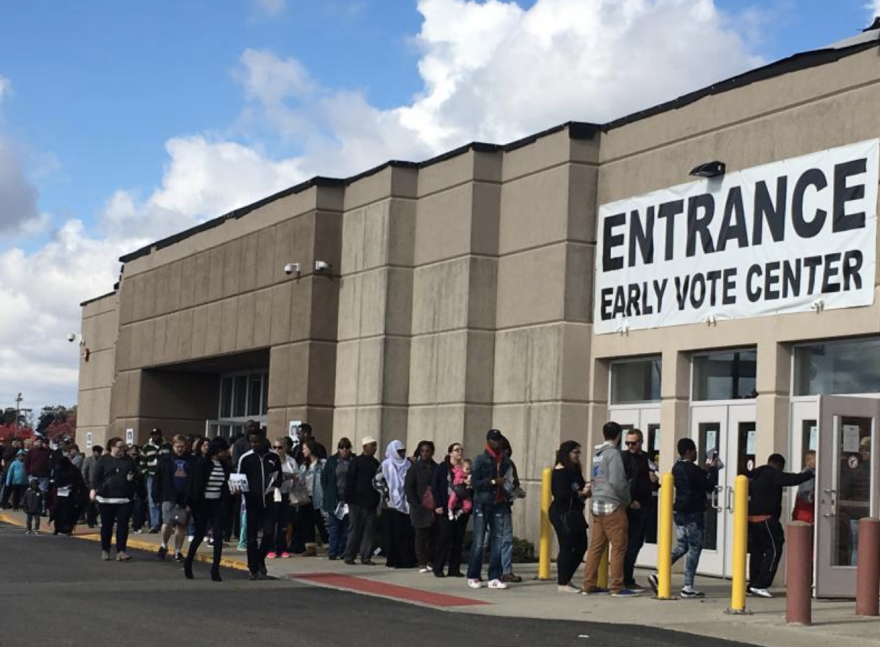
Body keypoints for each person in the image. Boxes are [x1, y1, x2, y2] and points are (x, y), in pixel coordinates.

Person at [649, 438, 719, 598]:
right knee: (694, 548)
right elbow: (708, 485)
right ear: (689, 451)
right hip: (693, 512)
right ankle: (688, 586)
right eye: (694, 451)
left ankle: (660, 573)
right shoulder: (691, 468)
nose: (696, 453)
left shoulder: (677, 467)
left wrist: (706, 470)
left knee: (682, 546)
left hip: (679, 511)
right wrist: (713, 470)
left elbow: (696, 479)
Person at [746, 453, 814, 598]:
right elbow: (792, 479)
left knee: (757, 551)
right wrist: (809, 473)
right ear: (778, 464)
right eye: (781, 468)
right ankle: (761, 584)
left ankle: (753, 584)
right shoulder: (772, 474)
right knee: (775, 548)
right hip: (766, 519)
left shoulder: (756, 474)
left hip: (752, 519)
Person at [583, 422, 636, 597]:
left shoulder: (597, 454)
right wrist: (627, 500)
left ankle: (589, 584)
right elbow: (617, 480)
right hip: (612, 504)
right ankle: (617, 586)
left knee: (596, 547)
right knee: (619, 546)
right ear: (619, 435)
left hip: (597, 504)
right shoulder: (613, 454)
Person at [467, 429, 513, 590]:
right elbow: (475, 484)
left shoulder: (506, 460)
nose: (496, 442)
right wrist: (493, 482)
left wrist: (510, 493)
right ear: (488, 441)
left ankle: (494, 576)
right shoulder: (480, 460)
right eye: (493, 439)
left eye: (498, 439)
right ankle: (473, 575)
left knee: (498, 541)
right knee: (479, 541)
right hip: (483, 503)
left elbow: (510, 481)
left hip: (499, 503)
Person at [91, 437, 146, 561]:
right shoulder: (103, 460)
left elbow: (137, 475)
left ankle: (121, 551)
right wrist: (93, 490)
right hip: (106, 498)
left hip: (124, 498)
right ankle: (105, 550)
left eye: (123, 447)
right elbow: (96, 476)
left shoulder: (129, 461)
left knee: (123, 525)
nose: (122, 449)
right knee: (107, 526)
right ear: (111, 447)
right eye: (119, 447)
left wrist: (132, 479)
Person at [184, 436, 231, 581]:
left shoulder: (224, 465)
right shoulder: (202, 464)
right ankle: (188, 563)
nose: (226, 453)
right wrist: (191, 505)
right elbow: (195, 486)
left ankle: (215, 569)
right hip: (202, 504)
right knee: (199, 535)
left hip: (217, 504)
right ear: (218, 451)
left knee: (218, 535)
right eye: (224, 450)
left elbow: (226, 485)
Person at [238, 429, 282, 580]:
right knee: (251, 537)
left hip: (269, 501)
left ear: (263, 441)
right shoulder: (246, 458)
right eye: (252, 442)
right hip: (252, 502)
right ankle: (253, 568)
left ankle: (259, 558)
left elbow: (279, 477)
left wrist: (275, 483)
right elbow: (240, 481)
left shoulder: (273, 457)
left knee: (269, 533)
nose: (254, 444)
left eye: (257, 441)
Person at [550, 440, 591, 593]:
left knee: (582, 546)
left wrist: (586, 491)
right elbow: (560, 494)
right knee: (566, 546)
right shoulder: (560, 471)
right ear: (567, 453)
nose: (578, 455)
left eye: (579, 452)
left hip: (575, 513)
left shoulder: (574, 469)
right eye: (576, 452)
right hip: (562, 513)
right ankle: (562, 582)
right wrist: (579, 493)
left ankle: (567, 578)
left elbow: (580, 488)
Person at [622, 429, 659, 591]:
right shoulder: (624, 458)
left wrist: (655, 481)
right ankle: (625, 579)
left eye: (633, 443)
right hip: (631, 506)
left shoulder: (645, 458)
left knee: (637, 544)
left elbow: (649, 479)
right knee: (629, 544)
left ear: (641, 442)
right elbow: (622, 482)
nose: (630, 446)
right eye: (627, 443)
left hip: (645, 504)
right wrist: (630, 502)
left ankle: (628, 577)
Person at [152, 434, 193, 562]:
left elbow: (193, 480)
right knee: (167, 523)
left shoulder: (190, 461)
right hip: (168, 495)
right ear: (173, 446)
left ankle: (177, 551)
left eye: (182, 447)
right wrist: (156, 496)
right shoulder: (165, 460)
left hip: (184, 496)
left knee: (181, 524)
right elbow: (157, 479)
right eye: (177, 446)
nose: (180, 449)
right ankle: (164, 544)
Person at [432, 443, 469, 578]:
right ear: (450, 453)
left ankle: (454, 568)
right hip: (446, 507)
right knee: (444, 537)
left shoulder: (465, 468)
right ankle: (438, 567)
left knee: (458, 539)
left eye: (461, 450)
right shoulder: (443, 468)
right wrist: (438, 505)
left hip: (460, 507)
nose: (459, 452)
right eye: (456, 450)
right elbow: (435, 486)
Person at [343, 436, 381, 566]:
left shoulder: (376, 463)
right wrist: (347, 499)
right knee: (355, 529)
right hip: (356, 502)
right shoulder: (356, 462)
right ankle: (349, 555)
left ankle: (366, 556)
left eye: (375, 446)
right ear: (365, 447)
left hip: (371, 502)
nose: (375, 448)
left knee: (369, 531)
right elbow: (350, 481)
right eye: (372, 446)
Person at [380, 440, 415, 569]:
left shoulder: (408, 464)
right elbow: (377, 482)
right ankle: (392, 560)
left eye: (403, 451)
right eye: (398, 451)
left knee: (404, 533)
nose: (401, 454)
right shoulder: (385, 465)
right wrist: (387, 493)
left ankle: (405, 560)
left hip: (405, 504)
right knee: (392, 534)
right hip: (390, 505)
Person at [405, 440, 438, 573]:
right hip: (419, 506)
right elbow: (408, 487)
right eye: (423, 451)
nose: (425, 454)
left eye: (427, 451)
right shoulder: (414, 468)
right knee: (420, 535)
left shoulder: (436, 467)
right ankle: (422, 562)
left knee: (433, 535)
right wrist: (415, 504)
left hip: (433, 506)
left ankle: (431, 560)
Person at [320, 437, 353, 560]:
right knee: (334, 527)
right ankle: (332, 551)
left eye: (347, 447)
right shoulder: (332, 461)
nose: (344, 450)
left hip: (348, 498)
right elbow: (324, 478)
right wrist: (328, 492)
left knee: (346, 527)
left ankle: (342, 550)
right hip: (334, 498)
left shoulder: (352, 460)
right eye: (342, 447)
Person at [292, 439, 325, 556]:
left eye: (305, 448)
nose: (302, 451)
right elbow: (300, 480)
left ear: (311, 449)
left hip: (318, 496)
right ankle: (310, 547)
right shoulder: (304, 465)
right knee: (306, 522)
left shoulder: (322, 464)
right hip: (305, 497)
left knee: (321, 521)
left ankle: (328, 545)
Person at [499, 437, 524, 584]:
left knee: (505, 539)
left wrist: (516, 492)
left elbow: (514, 484)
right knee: (484, 540)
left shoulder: (509, 464)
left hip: (504, 504)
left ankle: (506, 571)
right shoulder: (486, 462)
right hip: (490, 505)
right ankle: (479, 570)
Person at [268, 437, 296, 559]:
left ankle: (282, 548)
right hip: (273, 494)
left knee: (283, 524)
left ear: (285, 448)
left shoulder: (290, 461)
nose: (277, 450)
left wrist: (292, 478)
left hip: (285, 494)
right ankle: (270, 548)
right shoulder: (270, 460)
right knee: (271, 522)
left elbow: (297, 475)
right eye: (274, 447)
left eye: (279, 447)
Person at [142, 428, 171, 533]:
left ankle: (166, 524)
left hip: (165, 477)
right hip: (152, 476)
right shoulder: (147, 447)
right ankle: (155, 524)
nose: (155, 437)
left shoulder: (168, 446)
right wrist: (146, 474)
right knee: (152, 500)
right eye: (153, 435)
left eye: (157, 435)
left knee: (166, 500)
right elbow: (142, 462)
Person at [49, 455, 87, 536]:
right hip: (60, 495)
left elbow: (79, 482)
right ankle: (58, 528)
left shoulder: (74, 470)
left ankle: (68, 529)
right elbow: (55, 480)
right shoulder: (59, 469)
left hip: (71, 495)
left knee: (69, 513)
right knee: (59, 512)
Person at [24, 436, 51, 514]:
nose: (39, 443)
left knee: (43, 494)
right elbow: (26, 463)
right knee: (33, 493)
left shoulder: (47, 452)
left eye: (41, 442)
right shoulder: (31, 452)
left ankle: (42, 509)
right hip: (33, 475)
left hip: (44, 476)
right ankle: (31, 508)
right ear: (35, 443)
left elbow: (50, 463)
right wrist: (28, 473)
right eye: (38, 441)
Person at [80, 445, 103, 527]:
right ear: (94, 452)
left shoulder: (102, 460)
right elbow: (84, 472)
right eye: (97, 452)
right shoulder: (88, 460)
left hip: (100, 485)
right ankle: (90, 521)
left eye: (100, 452)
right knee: (90, 504)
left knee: (99, 504)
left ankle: (94, 519)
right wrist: (86, 483)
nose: (99, 454)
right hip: (90, 484)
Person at [792, 450, 816, 524]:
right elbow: (807, 496)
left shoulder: (807, 473)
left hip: (804, 513)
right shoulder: (808, 475)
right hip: (806, 513)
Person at [127, 444, 147, 533]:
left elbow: (142, 474)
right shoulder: (126, 462)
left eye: (136, 454)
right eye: (132, 454)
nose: (134, 456)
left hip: (138, 487)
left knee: (138, 508)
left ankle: (137, 526)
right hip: (127, 488)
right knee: (128, 508)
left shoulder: (141, 462)